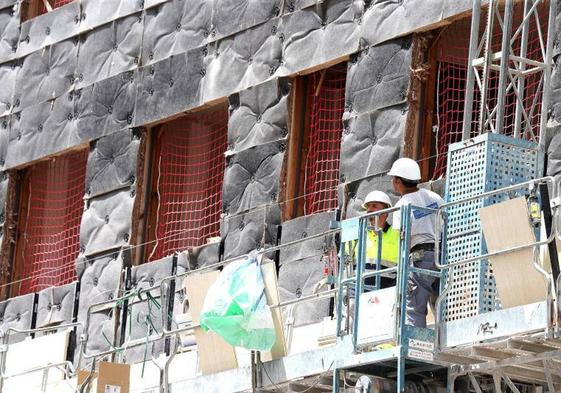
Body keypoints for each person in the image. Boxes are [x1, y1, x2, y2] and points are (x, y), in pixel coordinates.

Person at [389, 158, 444, 328]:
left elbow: (402, 239)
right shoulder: (434, 197)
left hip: (419, 259)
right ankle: (444, 340)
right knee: (442, 304)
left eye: (393, 178)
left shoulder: (402, 206)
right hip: (441, 254)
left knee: (414, 308)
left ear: (398, 181)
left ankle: (414, 344)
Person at [348, 190, 399, 288]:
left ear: (386, 212)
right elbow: (344, 262)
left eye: (374, 206)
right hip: (358, 290)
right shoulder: (357, 236)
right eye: (368, 207)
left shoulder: (397, 234)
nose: (369, 210)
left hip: (386, 291)